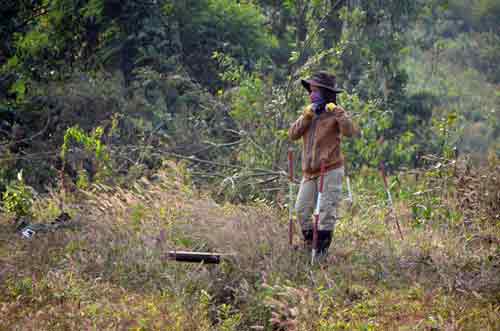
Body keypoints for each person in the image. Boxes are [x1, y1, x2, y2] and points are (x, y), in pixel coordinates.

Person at [289, 71, 357, 259]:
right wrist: (306, 117)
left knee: (326, 212)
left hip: (331, 169)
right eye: (311, 91)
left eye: (316, 91)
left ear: (326, 93)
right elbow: (292, 134)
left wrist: (339, 113)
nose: (312, 94)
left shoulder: (335, 113)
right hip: (309, 172)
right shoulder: (309, 112)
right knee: (301, 210)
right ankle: (310, 245)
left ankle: (320, 255)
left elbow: (349, 131)